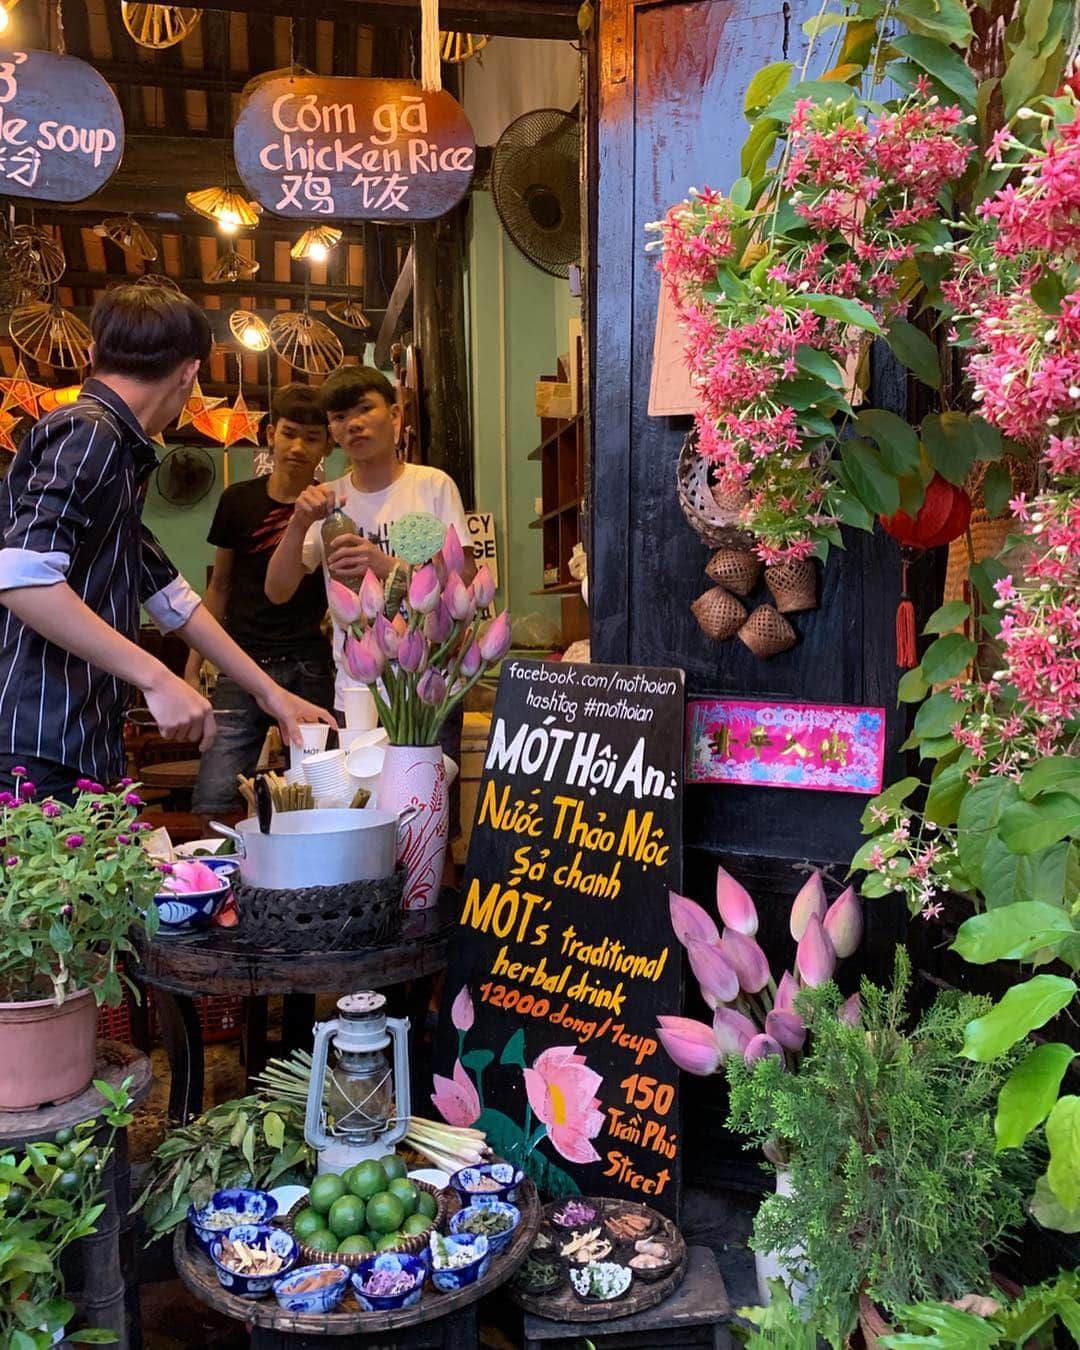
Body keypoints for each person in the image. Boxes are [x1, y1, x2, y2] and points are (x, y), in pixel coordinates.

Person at [0, 285, 334, 803]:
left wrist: (274, 696)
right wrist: (157, 678)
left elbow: (171, 595)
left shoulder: (117, 450)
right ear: (190, 373)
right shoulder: (90, 434)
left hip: (70, 741)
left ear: (93, 355)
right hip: (35, 740)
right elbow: (21, 576)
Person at [264, 366, 473, 836]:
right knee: (363, 822)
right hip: (358, 688)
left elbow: (464, 579)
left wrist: (383, 565)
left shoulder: (432, 485)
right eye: (339, 417)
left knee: (432, 825)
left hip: (430, 684)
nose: (352, 424)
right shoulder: (327, 501)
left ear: (394, 414)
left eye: (365, 409)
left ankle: (429, 910)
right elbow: (277, 591)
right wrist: (298, 522)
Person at [188, 383, 336, 818]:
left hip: (311, 663)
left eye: (312, 437)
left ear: (327, 444)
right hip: (241, 663)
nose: (298, 446)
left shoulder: (334, 507)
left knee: (321, 795)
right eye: (289, 433)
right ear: (270, 432)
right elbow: (220, 587)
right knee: (213, 798)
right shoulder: (238, 500)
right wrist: (193, 667)